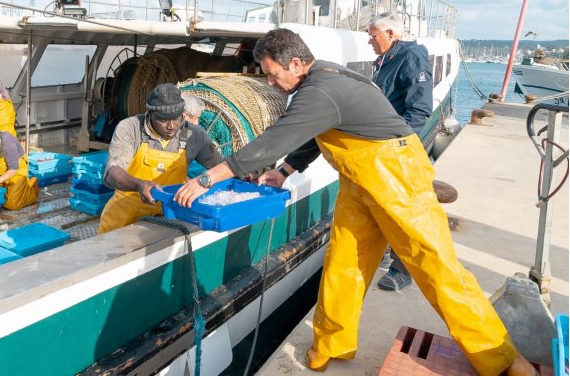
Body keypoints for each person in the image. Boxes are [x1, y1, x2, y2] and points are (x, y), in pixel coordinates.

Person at [173, 29, 534, 376]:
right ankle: (332, 344)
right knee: (344, 264)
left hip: (397, 178)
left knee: (436, 266)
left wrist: (207, 177)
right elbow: (319, 129)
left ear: (296, 64)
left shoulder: (319, 91)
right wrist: (285, 171)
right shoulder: (321, 80)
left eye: (271, 73)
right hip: (360, 181)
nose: (269, 82)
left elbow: (274, 139)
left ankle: (499, 356)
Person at [98, 83, 223, 234]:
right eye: (163, 120)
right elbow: (112, 173)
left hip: (170, 215)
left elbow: (220, 166)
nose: (171, 126)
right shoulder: (130, 128)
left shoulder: (195, 135)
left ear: (183, 113)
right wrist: (138, 185)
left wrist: (243, 173)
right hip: (124, 213)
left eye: (176, 119)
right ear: (149, 113)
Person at [368, 12, 433, 292]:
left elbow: (419, 109)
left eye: (373, 36)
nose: (369, 41)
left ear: (391, 34)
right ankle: (384, 249)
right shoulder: (387, 59)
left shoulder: (411, 58)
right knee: (381, 204)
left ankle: (402, 268)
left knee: (402, 210)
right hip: (380, 144)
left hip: (397, 146)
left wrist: (400, 147)